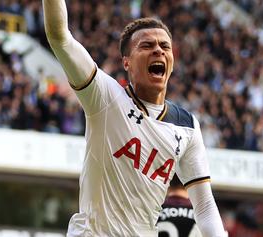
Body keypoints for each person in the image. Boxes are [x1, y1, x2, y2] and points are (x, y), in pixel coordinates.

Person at [42, 1, 227, 236]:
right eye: (147, 45)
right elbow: (60, 37)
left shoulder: (187, 126)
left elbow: (205, 206)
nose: (158, 50)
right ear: (126, 62)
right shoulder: (105, 96)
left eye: (165, 46)